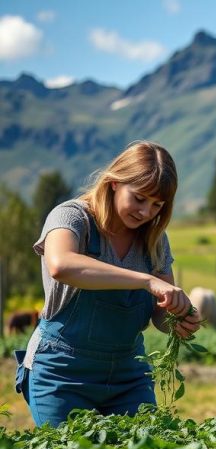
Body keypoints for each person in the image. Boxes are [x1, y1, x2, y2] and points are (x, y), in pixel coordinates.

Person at [14, 141, 202, 427]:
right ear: (114, 183)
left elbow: (161, 317)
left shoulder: (154, 240)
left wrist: (179, 318)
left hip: (129, 377)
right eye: (139, 198)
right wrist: (147, 280)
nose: (146, 212)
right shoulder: (72, 217)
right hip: (62, 372)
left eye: (157, 205)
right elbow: (61, 265)